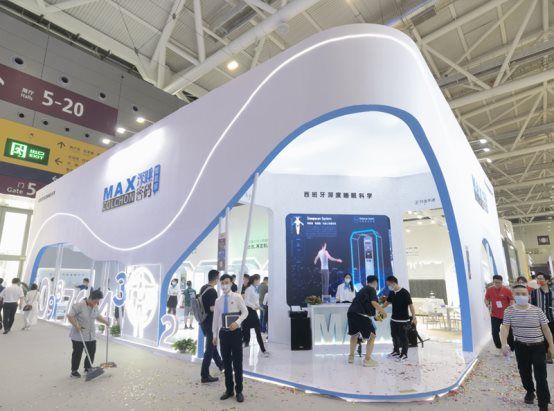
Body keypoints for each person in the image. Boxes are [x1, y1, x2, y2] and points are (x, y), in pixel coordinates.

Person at [501, 285, 554, 410]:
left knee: (541, 376)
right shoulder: (509, 311)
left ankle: (543, 403)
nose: (521, 296)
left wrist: (551, 345)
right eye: (518, 294)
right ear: (513, 296)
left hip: (538, 347)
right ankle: (530, 391)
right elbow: (505, 327)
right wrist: (503, 343)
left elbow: (546, 328)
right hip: (521, 346)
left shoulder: (537, 310)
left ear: (529, 296)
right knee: (524, 372)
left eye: (524, 294)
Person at [212, 274, 248, 403]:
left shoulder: (237, 297)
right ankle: (229, 390)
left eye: (226, 282)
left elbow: (245, 312)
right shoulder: (218, 300)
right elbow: (215, 319)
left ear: (231, 283)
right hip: (224, 334)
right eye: (222, 283)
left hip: (236, 334)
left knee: (237, 363)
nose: (224, 285)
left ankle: (239, 391)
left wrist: (237, 322)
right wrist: (214, 335)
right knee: (226, 364)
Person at [66, 289, 109, 378]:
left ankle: (88, 368)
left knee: (91, 351)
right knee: (77, 353)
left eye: (98, 301)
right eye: (95, 301)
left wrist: (105, 322)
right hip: (79, 335)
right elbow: (70, 316)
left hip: (90, 335)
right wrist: (76, 325)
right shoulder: (79, 305)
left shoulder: (95, 306)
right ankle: (74, 372)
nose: (96, 303)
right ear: (91, 298)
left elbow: (97, 316)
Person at [347, 275, 387, 367]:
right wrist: (383, 312)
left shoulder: (362, 290)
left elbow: (368, 308)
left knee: (354, 335)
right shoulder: (371, 289)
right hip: (361, 315)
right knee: (372, 336)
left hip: (351, 313)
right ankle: (367, 360)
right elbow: (374, 302)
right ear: (375, 282)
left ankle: (351, 357)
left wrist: (378, 317)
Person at [382, 276, 416, 362]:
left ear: (393, 283)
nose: (388, 286)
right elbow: (387, 302)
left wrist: (414, 317)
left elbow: (411, 306)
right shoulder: (392, 292)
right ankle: (396, 351)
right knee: (394, 336)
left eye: (388, 284)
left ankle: (404, 354)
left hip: (403, 320)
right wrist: (380, 308)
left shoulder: (405, 292)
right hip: (394, 319)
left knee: (403, 337)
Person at [200, 270, 224, 383]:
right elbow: (211, 308)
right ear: (216, 278)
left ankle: (221, 365)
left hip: (203, 321)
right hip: (210, 322)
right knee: (209, 349)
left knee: (212, 345)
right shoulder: (212, 291)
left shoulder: (203, 288)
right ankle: (204, 375)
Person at [484, 274, 514, 352]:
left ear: (502, 282)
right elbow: (486, 299)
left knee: (509, 332)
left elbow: (512, 300)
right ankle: (498, 347)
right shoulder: (489, 290)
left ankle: (512, 347)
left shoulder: (507, 290)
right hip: (494, 315)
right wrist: (487, 304)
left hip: (506, 315)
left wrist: (511, 307)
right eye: (495, 282)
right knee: (494, 332)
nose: (497, 284)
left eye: (499, 282)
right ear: (493, 282)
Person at [242, 274, 269, 357]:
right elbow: (246, 302)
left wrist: (258, 307)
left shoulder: (255, 289)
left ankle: (263, 350)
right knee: (246, 333)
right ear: (254, 280)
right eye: (258, 280)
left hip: (253, 312)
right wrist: (254, 307)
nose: (259, 281)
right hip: (248, 312)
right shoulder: (249, 289)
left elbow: (255, 300)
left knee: (258, 331)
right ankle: (241, 346)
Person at [530, 273, 554, 364]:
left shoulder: (553, 292)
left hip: (552, 318)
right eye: (538, 278)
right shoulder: (534, 292)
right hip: (539, 320)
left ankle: (551, 352)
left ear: (547, 280)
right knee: (543, 338)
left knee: (552, 336)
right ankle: (547, 355)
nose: (539, 280)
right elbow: (532, 306)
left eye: (541, 278)